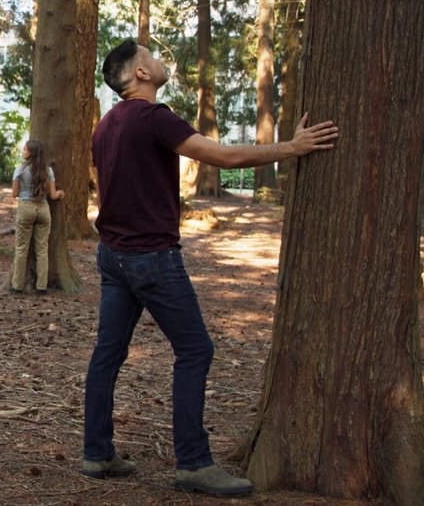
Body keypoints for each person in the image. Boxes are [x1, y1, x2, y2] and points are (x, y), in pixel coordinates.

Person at [82, 40, 338, 495]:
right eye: (151, 56)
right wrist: (293, 147)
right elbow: (225, 156)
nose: (159, 60)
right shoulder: (155, 116)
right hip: (151, 259)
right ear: (140, 73)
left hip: (113, 256)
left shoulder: (106, 125)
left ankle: (97, 453)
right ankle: (194, 464)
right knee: (195, 350)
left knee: (107, 354)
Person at [9, 140, 65, 294]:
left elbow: (14, 194)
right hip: (43, 209)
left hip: (26, 208)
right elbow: (53, 195)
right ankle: (41, 287)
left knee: (21, 248)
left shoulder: (20, 169)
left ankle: (17, 285)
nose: (23, 151)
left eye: (25, 149)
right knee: (42, 249)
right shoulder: (48, 170)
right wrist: (60, 193)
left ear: (31, 153)